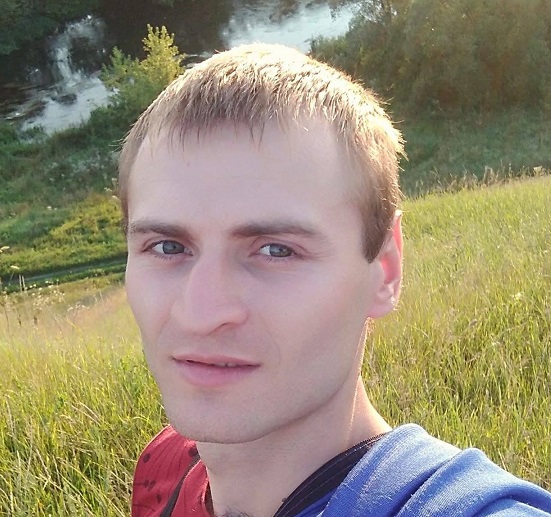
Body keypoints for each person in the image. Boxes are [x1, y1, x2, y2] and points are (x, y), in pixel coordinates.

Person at [120, 43, 551, 516]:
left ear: (385, 270)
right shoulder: (166, 468)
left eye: (276, 250)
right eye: (168, 247)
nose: (201, 313)